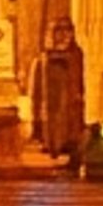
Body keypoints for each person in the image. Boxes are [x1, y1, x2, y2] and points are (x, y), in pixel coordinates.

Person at [27, 15, 88, 161]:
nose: (65, 36)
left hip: (70, 105)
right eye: (59, 31)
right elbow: (36, 94)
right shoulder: (43, 60)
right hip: (53, 106)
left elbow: (80, 79)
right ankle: (54, 144)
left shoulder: (77, 56)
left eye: (68, 31)